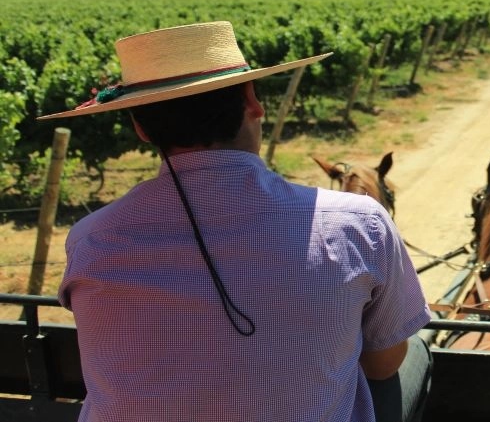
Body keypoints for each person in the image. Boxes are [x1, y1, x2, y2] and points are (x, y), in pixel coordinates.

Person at [39, 21, 433, 422]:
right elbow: (383, 365)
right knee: (414, 350)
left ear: (141, 128)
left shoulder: (91, 239)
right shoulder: (358, 224)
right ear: (253, 102)